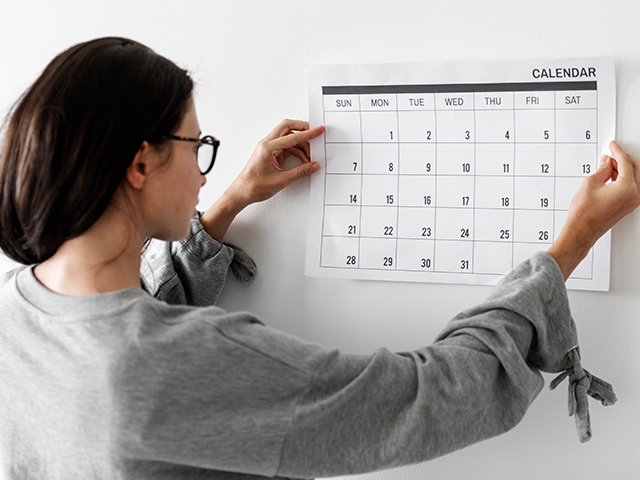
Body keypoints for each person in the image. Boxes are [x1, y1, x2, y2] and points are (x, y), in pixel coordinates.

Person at [0, 37, 638, 480]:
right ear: (141, 163)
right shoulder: (179, 363)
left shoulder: (19, 307)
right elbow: (430, 399)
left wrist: (226, 208)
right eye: (198, 145)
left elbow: (120, 330)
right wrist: (570, 243)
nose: (202, 169)